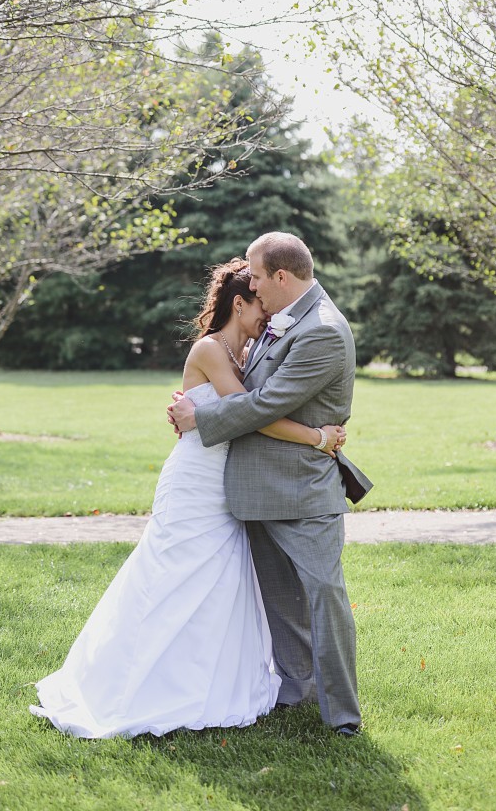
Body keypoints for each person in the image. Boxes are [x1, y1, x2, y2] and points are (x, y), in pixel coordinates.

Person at [29, 258, 346, 739]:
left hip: (229, 485)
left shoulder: (252, 347)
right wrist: (316, 437)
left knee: (219, 586)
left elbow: (248, 405)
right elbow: (249, 412)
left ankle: (211, 684)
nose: (267, 315)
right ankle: (136, 686)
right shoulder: (212, 349)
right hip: (196, 481)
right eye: (259, 305)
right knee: (171, 576)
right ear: (238, 304)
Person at [168, 232, 371, 737]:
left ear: (281, 276)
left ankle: (341, 714)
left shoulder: (322, 330)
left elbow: (264, 403)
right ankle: (293, 691)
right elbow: (245, 388)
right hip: (252, 489)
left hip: (301, 491)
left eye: (257, 275)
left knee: (324, 596)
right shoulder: (281, 320)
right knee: (281, 604)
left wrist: (201, 416)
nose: (251, 284)